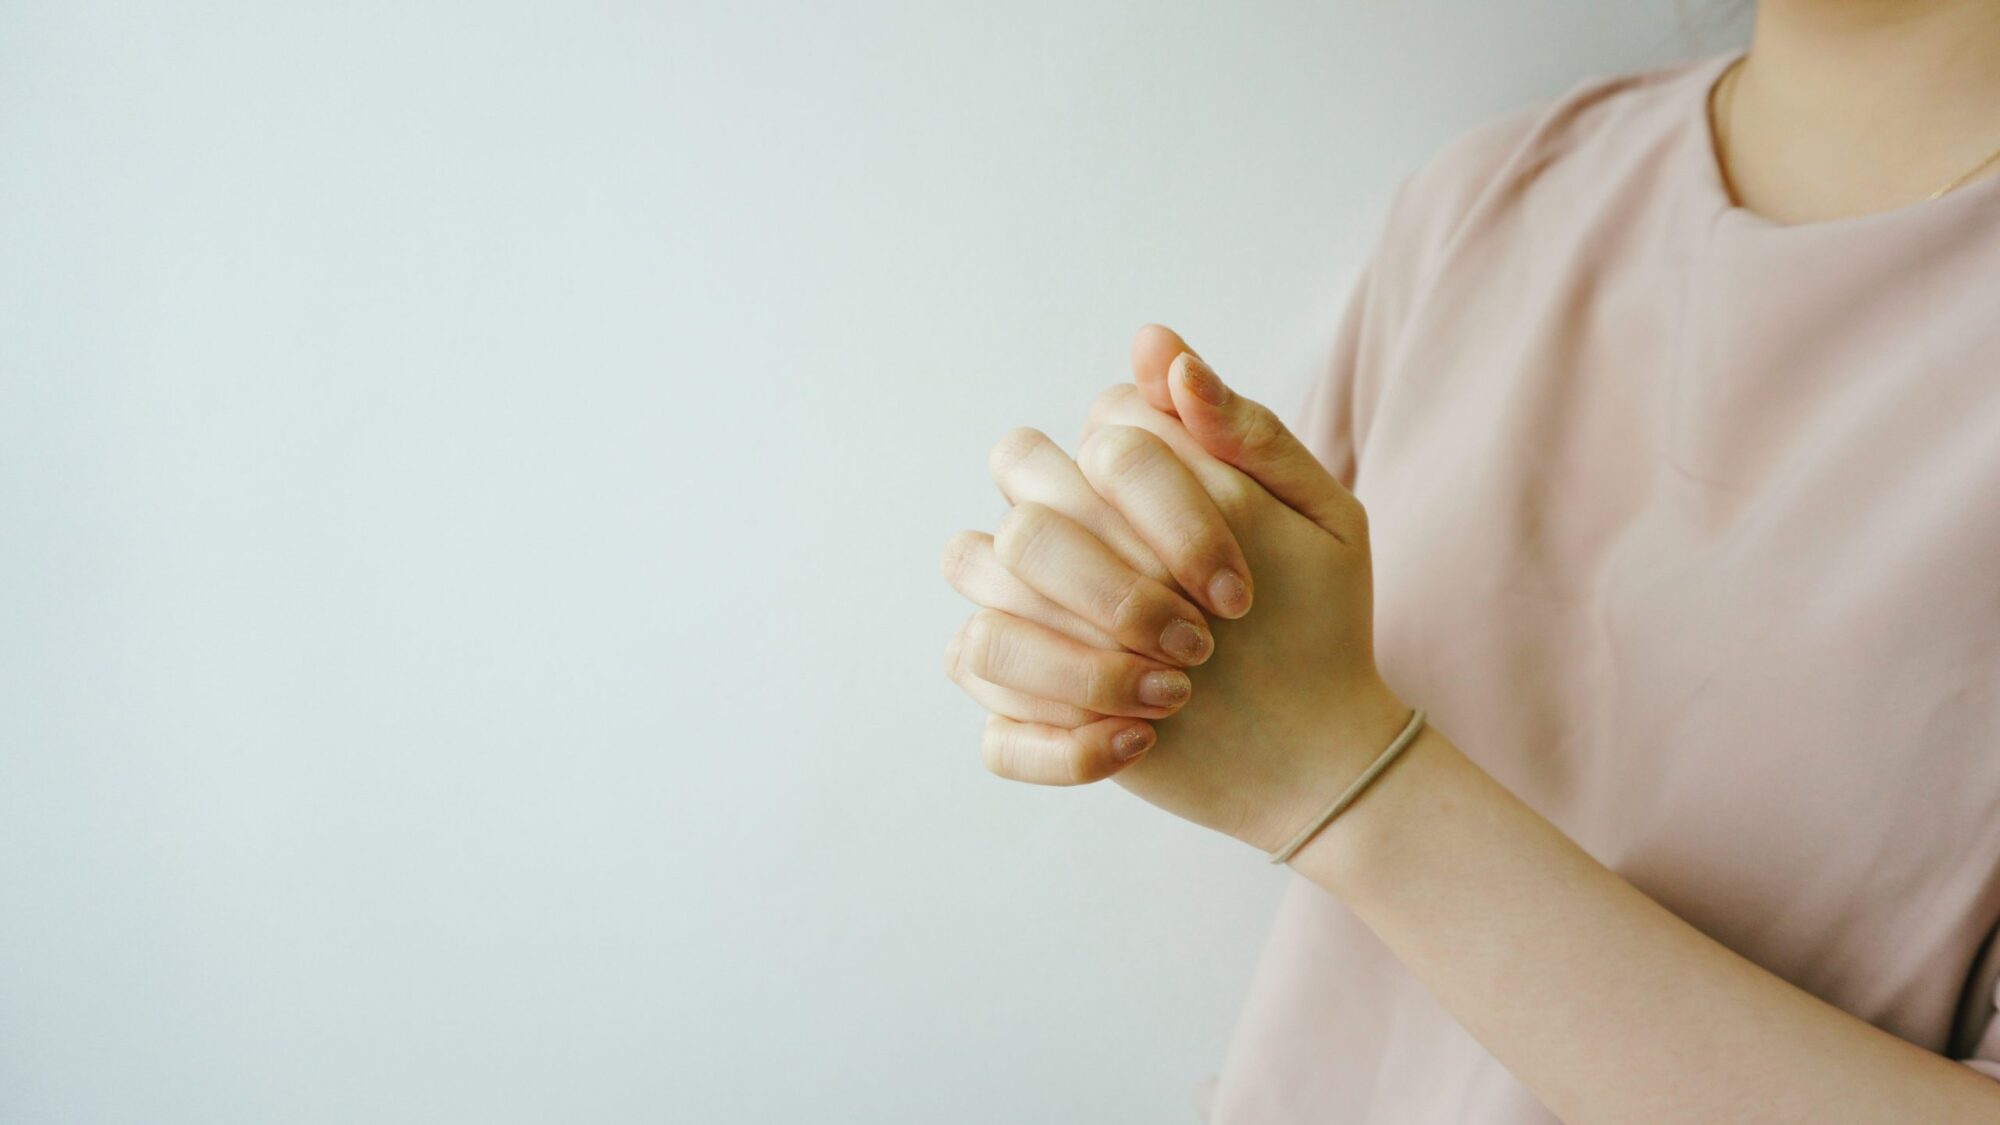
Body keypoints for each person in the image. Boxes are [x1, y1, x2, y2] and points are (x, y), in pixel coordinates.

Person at [937, 5, 2000, 1122]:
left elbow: (1311, 750)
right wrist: (1126, 627)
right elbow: (1263, 702)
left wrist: (1339, 780)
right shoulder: (1485, 203)